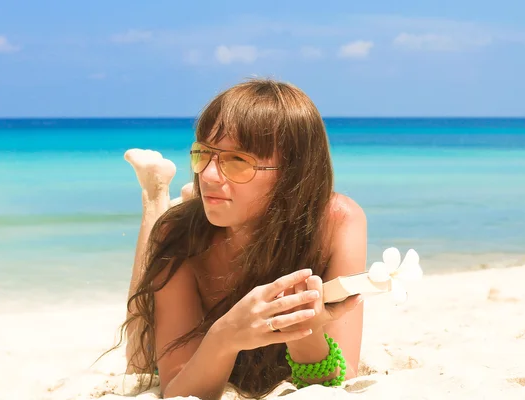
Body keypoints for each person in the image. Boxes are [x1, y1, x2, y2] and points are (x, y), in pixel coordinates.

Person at [115, 78, 368, 400]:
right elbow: (176, 390)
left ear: (294, 173)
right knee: (138, 356)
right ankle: (155, 193)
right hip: (191, 286)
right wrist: (224, 336)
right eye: (202, 154)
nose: (207, 174)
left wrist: (305, 331)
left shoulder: (337, 221)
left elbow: (339, 382)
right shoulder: (182, 237)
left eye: (238, 161)